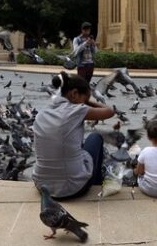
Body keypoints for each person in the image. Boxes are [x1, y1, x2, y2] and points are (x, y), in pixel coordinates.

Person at [32, 71, 114, 200]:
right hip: (71, 188)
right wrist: (89, 101)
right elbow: (110, 112)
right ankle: (97, 184)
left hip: (41, 185)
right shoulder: (76, 110)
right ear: (74, 94)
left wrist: (83, 99)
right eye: (84, 99)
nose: (84, 103)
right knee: (94, 138)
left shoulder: (42, 112)